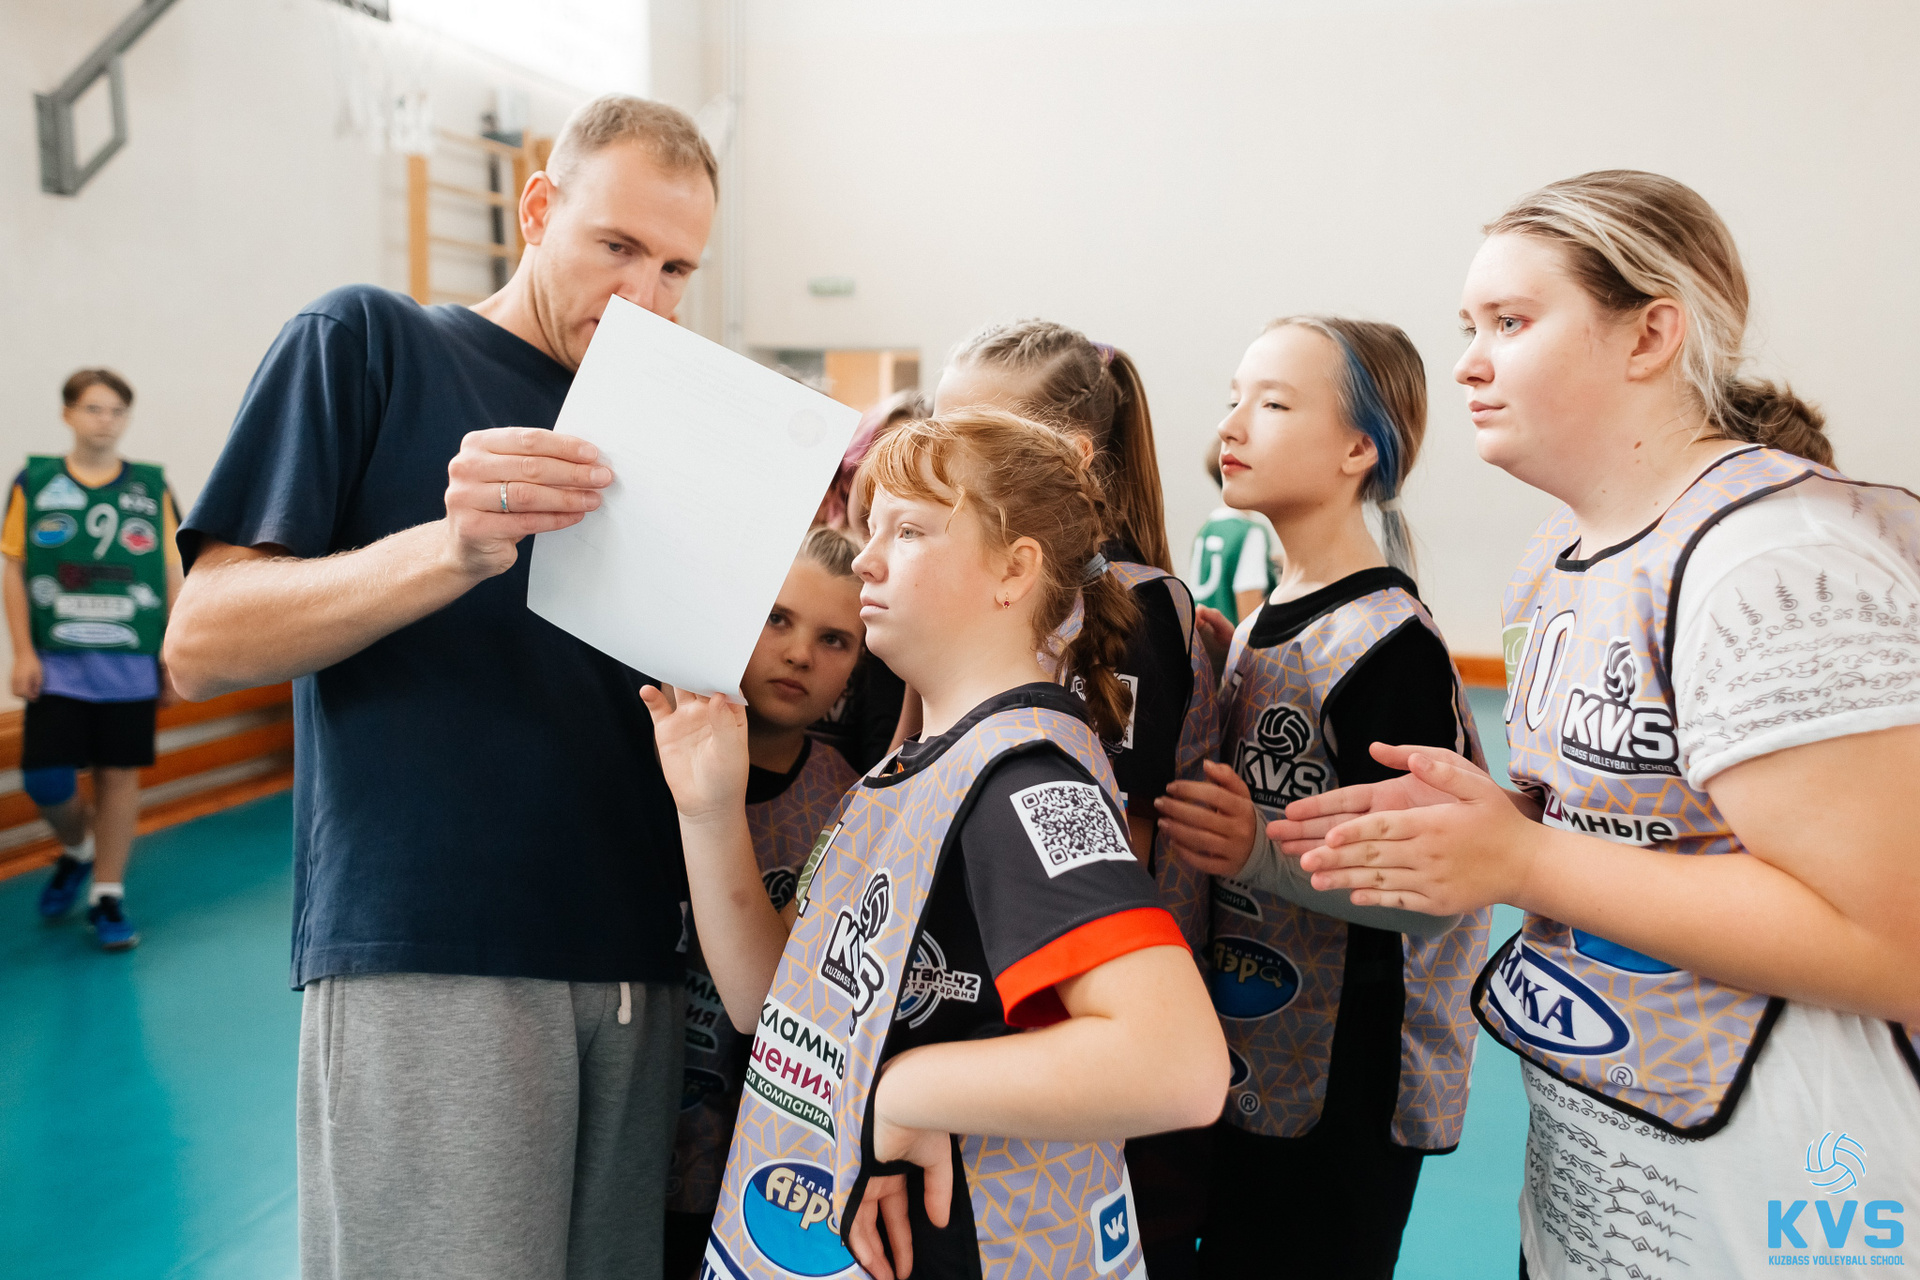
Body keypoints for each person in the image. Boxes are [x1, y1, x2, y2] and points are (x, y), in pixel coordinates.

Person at [1274, 172, 1920, 1279]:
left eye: (1511, 322)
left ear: (1651, 335)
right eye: (1469, 326)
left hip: (1785, 1220)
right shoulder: (1556, 555)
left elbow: (1894, 941)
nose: (1468, 364)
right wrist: (1479, 825)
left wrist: (1522, 859)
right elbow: (1638, 824)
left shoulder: (1774, 559)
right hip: (1604, 1196)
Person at [161, 95, 717, 1280]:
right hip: (436, 945)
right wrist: (450, 549)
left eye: (677, 267)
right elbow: (200, 640)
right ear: (537, 208)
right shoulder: (367, 342)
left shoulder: (674, 424)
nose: (645, 294)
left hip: (640, 958)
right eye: (617, 245)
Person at [642, 409, 1228, 1280]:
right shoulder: (910, 768)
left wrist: (904, 1092)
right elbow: (774, 1003)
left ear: (1015, 570)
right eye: (871, 527)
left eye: (908, 531)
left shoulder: (1025, 781)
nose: (866, 558)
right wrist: (710, 810)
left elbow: (1178, 1064)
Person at [1153, 317, 1489, 1278]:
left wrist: (1258, 850)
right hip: (1248, 1058)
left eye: (1273, 403)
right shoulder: (1262, 619)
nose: (1232, 424)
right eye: (1233, 399)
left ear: (1358, 450)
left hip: (1345, 1088)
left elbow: (1431, 891)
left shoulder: (1389, 645)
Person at [933, 320, 1219, 1274]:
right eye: (938, 426)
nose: (945, 456)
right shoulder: (960, 581)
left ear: (1073, 459)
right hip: (967, 995)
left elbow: (1112, 846)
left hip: (1063, 1014)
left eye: (976, 432)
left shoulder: (1130, 609)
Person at [664, 526, 865, 1278]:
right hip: (629, 1121)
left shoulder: (854, 801)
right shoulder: (655, 752)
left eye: (834, 639)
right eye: (777, 619)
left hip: (757, 1164)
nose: (800, 653)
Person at [5, 368, 182, 950]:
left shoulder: (151, 489)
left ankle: (107, 894)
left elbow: (171, 570)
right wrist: (23, 651)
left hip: (129, 661)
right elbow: (14, 567)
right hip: (58, 662)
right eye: (93, 408)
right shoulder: (34, 483)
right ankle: (78, 848)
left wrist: (174, 650)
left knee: (118, 776)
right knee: (45, 776)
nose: (105, 421)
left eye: (116, 411)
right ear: (68, 414)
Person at [809, 391, 925, 773]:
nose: (893, 475)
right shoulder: (800, 572)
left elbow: (889, 772)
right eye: (882, 453)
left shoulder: (909, 613)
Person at [1186, 440, 1276, 625]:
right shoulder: (1250, 533)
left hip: (1201, 638)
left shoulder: (1207, 528)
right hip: (1231, 639)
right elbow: (1250, 616)